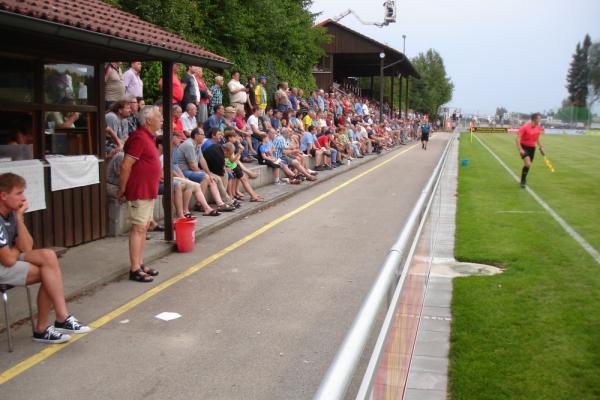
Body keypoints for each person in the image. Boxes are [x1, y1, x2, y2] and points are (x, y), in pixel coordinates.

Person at [0, 173, 91, 343]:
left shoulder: (11, 213)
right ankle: (44, 328)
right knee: (48, 275)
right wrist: (15, 249)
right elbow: (8, 260)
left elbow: (27, 246)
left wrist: (19, 219)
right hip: (2, 264)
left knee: (48, 257)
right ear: (3, 196)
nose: (23, 198)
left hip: (6, 258)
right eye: (19, 193)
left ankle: (61, 317)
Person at [116, 105, 163, 283]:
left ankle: (140, 263)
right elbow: (125, 165)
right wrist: (122, 188)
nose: (161, 118)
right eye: (158, 116)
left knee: (143, 228)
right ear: (148, 120)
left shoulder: (148, 137)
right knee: (138, 228)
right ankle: (134, 268)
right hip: (139, 190)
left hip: (146, 190)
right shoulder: (139, 138)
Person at [517, 113, 545, 188]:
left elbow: (537, 139)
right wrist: (520, 149)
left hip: (532, 148)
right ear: (534, 119)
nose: (540, 120)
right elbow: (518, 139)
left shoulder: (538, 128)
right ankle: (522, 181)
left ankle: (523, 179)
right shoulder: (525, 127)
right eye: (539, 118)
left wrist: (541, 147)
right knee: (528, 164)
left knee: (528, 165)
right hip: (524, 147)